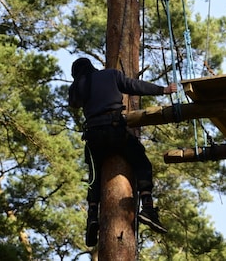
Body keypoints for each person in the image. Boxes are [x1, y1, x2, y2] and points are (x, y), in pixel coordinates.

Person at [68, 57, 178, 247]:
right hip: (115, 129)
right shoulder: (111, 75)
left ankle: (92, 216)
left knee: (94, 177)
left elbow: (74, 104)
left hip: (94, 137)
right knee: (141, 162)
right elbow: (133, 85)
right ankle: (148, 208)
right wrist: (163, 90)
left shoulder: (77, 87)